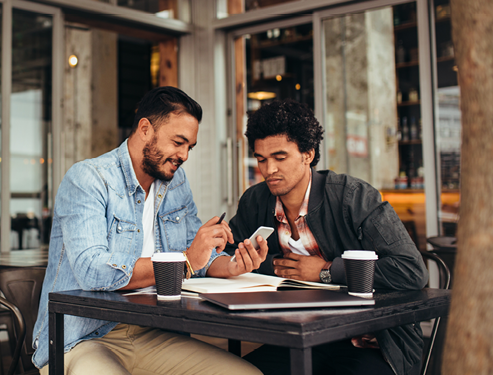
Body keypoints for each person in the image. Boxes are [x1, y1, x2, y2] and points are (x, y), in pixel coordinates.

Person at [32, 86, 266, 375]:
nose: (184, 156)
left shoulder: (175, 184)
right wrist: (186, 260)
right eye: (178, 142)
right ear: (145, 128)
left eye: (189, 147)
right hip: (83, 337)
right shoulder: (89, 179)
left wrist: (231, 266)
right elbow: (91, 270)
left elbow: (196, 262)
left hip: (155, 330)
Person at [226, 99, 428, 375]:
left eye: (280, 157)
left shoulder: (353, 197)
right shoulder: (255, 201)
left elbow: (411, 270)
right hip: (299, 337)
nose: (268, 169)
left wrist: (327, 271)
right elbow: (229, 255)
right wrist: (270, 264)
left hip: (371, 340)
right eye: (261, 159)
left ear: (307, 154)